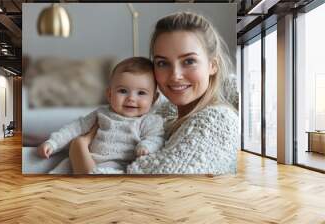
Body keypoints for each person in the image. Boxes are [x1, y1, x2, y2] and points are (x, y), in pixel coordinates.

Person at [68, 12, 239, 175]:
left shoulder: (217, 121)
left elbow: (132, 189)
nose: (175, 75)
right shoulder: (163, 112)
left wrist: (78, 148)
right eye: (163, 63)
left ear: (212, 65)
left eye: (189, 61)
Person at [37, 57, 165, 174]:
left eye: (141, 93)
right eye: (123, 91)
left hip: (119, 167)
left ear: (154, 99)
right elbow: (75, 128)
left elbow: (157, 139)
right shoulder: (101, 113)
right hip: (85, 158)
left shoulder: (149, 121)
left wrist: (146, 146)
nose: (131, 98)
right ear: (109, 94)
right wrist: (53, 143)